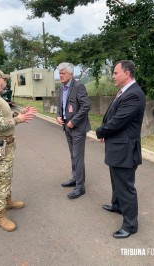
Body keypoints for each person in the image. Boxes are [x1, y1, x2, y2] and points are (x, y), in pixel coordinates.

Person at [0, 69, 37, 232]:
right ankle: (0, 215)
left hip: (5, 146)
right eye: (4, 79)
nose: (6, 82)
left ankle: (7, 201)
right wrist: (19, 119)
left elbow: (4, 116)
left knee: (6, 175)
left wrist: (20, 113)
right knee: (0, 180)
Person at [96, 60, 146, 239]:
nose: (113, 76)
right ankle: (117, 205)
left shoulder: (133, 94)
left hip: (125, 150)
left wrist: (100, 131)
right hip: (118, 147)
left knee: (126, 187)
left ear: (127, 73)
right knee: (116, 180)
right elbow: (112, 116)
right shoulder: (125, 92)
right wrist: (105, 131)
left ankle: (130, 225)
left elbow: (118, 121)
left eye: (115, 72)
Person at [56, 62, 91, 199]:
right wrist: (58, 116)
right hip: (66, 127)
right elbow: (60, 105)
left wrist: (73, 121)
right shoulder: (62, 88)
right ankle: (75, 178)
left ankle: (80, 187)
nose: (60, 75)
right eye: (59, 73)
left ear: (71, 74)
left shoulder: (78, 86)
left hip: (77, 128)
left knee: (78, 156)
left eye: (63, 73)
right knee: (73, 155)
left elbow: (85, 106)